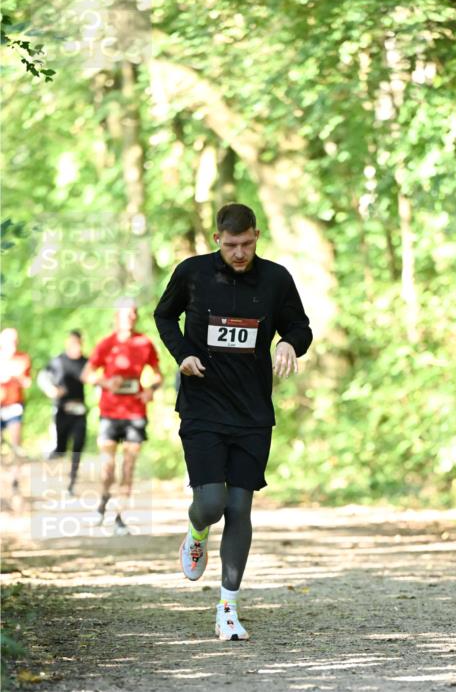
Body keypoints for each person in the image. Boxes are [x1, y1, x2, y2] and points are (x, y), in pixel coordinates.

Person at [153, 203, 312, 641]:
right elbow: (164, 315)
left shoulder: (276, 279)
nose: (239, 253)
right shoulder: (194, 273)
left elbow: (300, 326)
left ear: (257, 236)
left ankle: (227, 607)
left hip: (252, 413)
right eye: (230, 245)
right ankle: (196, 530)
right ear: (217, 239)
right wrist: (182, 352)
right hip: (203, 407)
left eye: (246, 244)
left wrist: (288, 344)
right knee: (211, 503)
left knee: (240, 507)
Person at [82, 299, 162, 535]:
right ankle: (101, 506)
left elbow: (158, 376)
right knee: (108, 468)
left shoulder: (144, 343)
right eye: (126, 314)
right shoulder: (106, 344)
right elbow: (87, 373)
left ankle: (120, 518)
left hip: (135, 413)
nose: (130, 318)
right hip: (109, 412)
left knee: (128, 467)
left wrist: (151, 390)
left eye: (134, 314)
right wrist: (106, 381)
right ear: (117, 317)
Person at [38, 330, 88, 495]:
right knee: (61, 449)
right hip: (62, 410)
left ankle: (71, 483)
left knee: (78, 446)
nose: (76, 347)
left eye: (78, 343)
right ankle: (51, 461)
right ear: (68, 343)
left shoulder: (86, 362)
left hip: (79, 410)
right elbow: (42, 377)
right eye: (73, 343)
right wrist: (51, 390)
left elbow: (96, 378)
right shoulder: (58, 361)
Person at [0, 327, 32, 491]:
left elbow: (27, 382)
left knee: (15, 443)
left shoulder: (22, 358)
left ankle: (15, 478)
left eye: (15, 340)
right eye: (9, 340)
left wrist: (15, 376)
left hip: (14, 405)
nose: (12, 344)